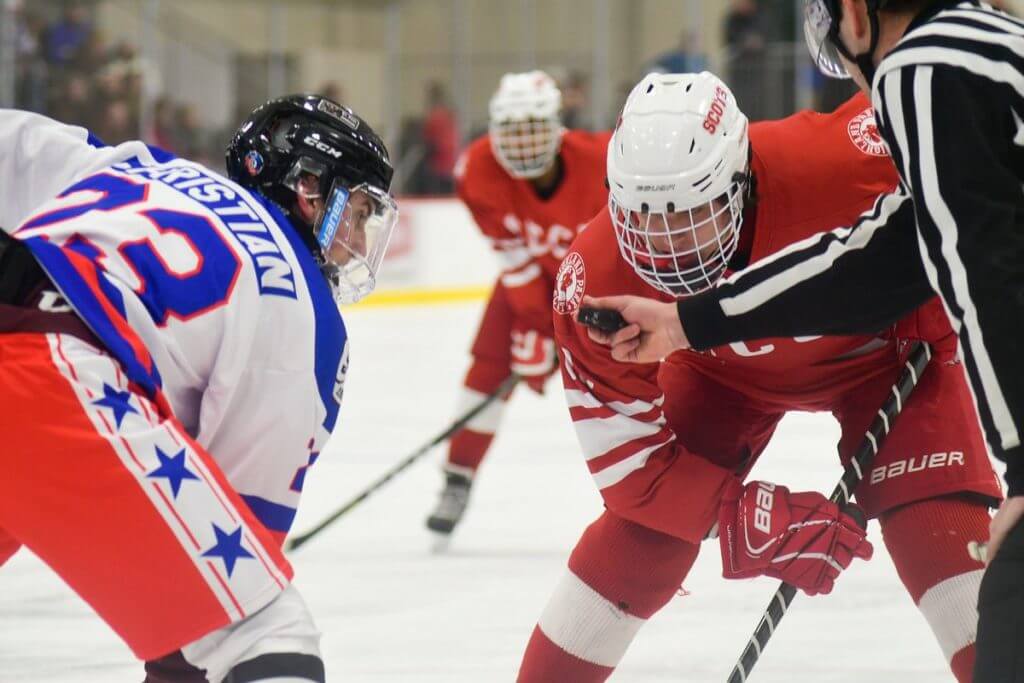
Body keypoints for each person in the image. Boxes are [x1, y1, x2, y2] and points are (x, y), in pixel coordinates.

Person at [582, 4, 1024, 677]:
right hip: (724, 371)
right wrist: (686, 323)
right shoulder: (983, 49)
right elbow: (896, 253)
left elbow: (980, 267)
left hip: (882, 365)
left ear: (853, 13)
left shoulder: (921, 70)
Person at [0, 94, 398, 682]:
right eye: (360, 213)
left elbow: (14, 143)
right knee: (261, 629)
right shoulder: (307, 315)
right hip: (48, 376)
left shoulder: (146, 167)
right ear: (311, 189)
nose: (361, 244)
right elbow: (223, 570)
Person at [424, 71, 611, 536]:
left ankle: (671, 479)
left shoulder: (604, 161)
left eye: (533, 127)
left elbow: (619, 256)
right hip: (529, 286)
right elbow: (515, 262)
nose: (523, 142)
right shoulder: (477, 171)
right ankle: (458, 476)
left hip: (600, 285)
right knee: (487, 368)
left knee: (632, 377)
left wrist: (561, 330)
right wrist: (536, 325)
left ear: (556, 125)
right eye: (512, 130)